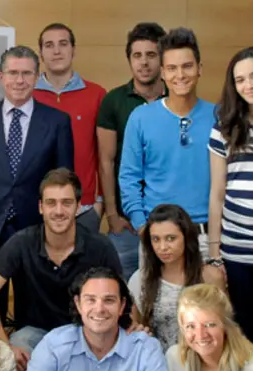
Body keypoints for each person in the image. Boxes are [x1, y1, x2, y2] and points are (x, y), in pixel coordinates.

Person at [0, 45, 74, 326]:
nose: (19, 80)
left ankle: (28, 365)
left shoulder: (57, 122)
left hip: (37, 232)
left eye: (26, 74)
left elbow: (65, 183)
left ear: (36, 77)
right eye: (13, 73)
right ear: (1, 76)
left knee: (32, 310)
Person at [12, 267, 192, 371]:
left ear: (122, 306)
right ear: (78, 304)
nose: (99, 309)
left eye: (109, 300)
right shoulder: (53, 345)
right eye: (90, 300)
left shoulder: (144, 348)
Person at [0, 168, 122, 371]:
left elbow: (123, 295)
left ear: (78, 207)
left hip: (84, 332)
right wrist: (5, 346)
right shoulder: (22, 242)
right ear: (40, 207)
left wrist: (130, 326)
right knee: (10, 355)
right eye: (51, 203)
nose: (58, 211)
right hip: (33, 336)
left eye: (66, 203)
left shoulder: (100, 246)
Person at [207, 47, 253, 348]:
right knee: (246, 337)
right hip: (237, 251)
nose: (249, 85)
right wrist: (215, 254)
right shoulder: (224, 129)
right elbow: (217, 194)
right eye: (240, 80)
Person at [119, 27, 216, 258]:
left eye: (187, 66)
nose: (180, 75)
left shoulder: (220, 117)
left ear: (200, 69)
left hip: (206, 238)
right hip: (158, 237)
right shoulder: (140, 118)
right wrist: (143, 227)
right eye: (172, 68)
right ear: (162, 72)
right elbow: (128, 178)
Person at [97, 22, 167, 279]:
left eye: (151, 55)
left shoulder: (177, 99)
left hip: (170, 221)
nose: (144, 62)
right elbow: (106, 161)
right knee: (125, 292)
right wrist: (113, 215)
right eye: (137, 55)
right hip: (127, 222)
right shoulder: (113, 101)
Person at [34, 23, 107, 233]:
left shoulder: (97, 95)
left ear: (73, 50)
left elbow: (105, 155)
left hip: (84, 209)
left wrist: (99, 203)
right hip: (37, 209)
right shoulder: (28, 97)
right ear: (41, 53)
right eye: (49, 45)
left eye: (63, 44)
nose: (56, 51)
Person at [129, 204, 226, 351]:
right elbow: (134, 330)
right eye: (156, 239)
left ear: (186, 238)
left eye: (170, 238)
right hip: (159, 364)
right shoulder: (140, 279)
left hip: (202, 361)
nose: (162, 247)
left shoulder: (210, 276)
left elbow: (225, 328)